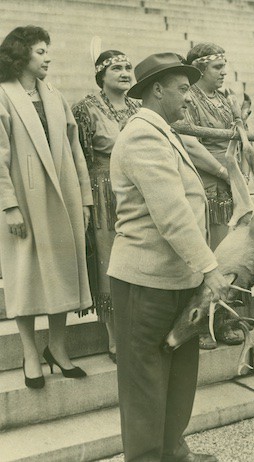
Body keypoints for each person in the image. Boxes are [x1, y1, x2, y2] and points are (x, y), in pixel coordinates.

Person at [108, 52, 228, 462]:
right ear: (156, 91)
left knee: (178, 379)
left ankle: (174, 452)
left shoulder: (164, 130)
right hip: (145, 281)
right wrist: (210, 267)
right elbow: (171, 214)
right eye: (181, 89)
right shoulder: (142, 134)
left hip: (176, 279)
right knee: (145, 386)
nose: (189, 98)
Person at [0, 26, 92, 389]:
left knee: (63, 273)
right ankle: (29, 353)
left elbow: (75, 151)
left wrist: (83, 199)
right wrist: (9, 206)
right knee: (25, 277)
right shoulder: (3, 97)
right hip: (25, 200)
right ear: (20, 55)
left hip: (63, 198)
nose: (48, 58)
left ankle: (57, 348)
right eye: (40, 52)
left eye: (47, 51)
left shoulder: (54, 95)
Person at [72, 49, 140, 364]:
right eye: (117, 69)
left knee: (141, 259)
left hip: (141, 192)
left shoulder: (141, 107)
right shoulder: (86, 109)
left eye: (128, 67)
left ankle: (141, 328)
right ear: (102, 75)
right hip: (104, 195)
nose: (125, 73)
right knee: (110, 264)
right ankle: (115, 337)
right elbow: (80, 161)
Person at [182, 42, 246, 349]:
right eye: (217, 67)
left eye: (225, 66)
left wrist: (238, 172)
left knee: (230, 253)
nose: (224, 72)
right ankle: (201, 323)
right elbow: (191, 145)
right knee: (208, 253)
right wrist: (223, 171)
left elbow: (241, 136)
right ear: (200, 69)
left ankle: (225, 318)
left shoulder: (225, 98)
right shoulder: (188, 99)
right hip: (206, 182)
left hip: (231, 181)